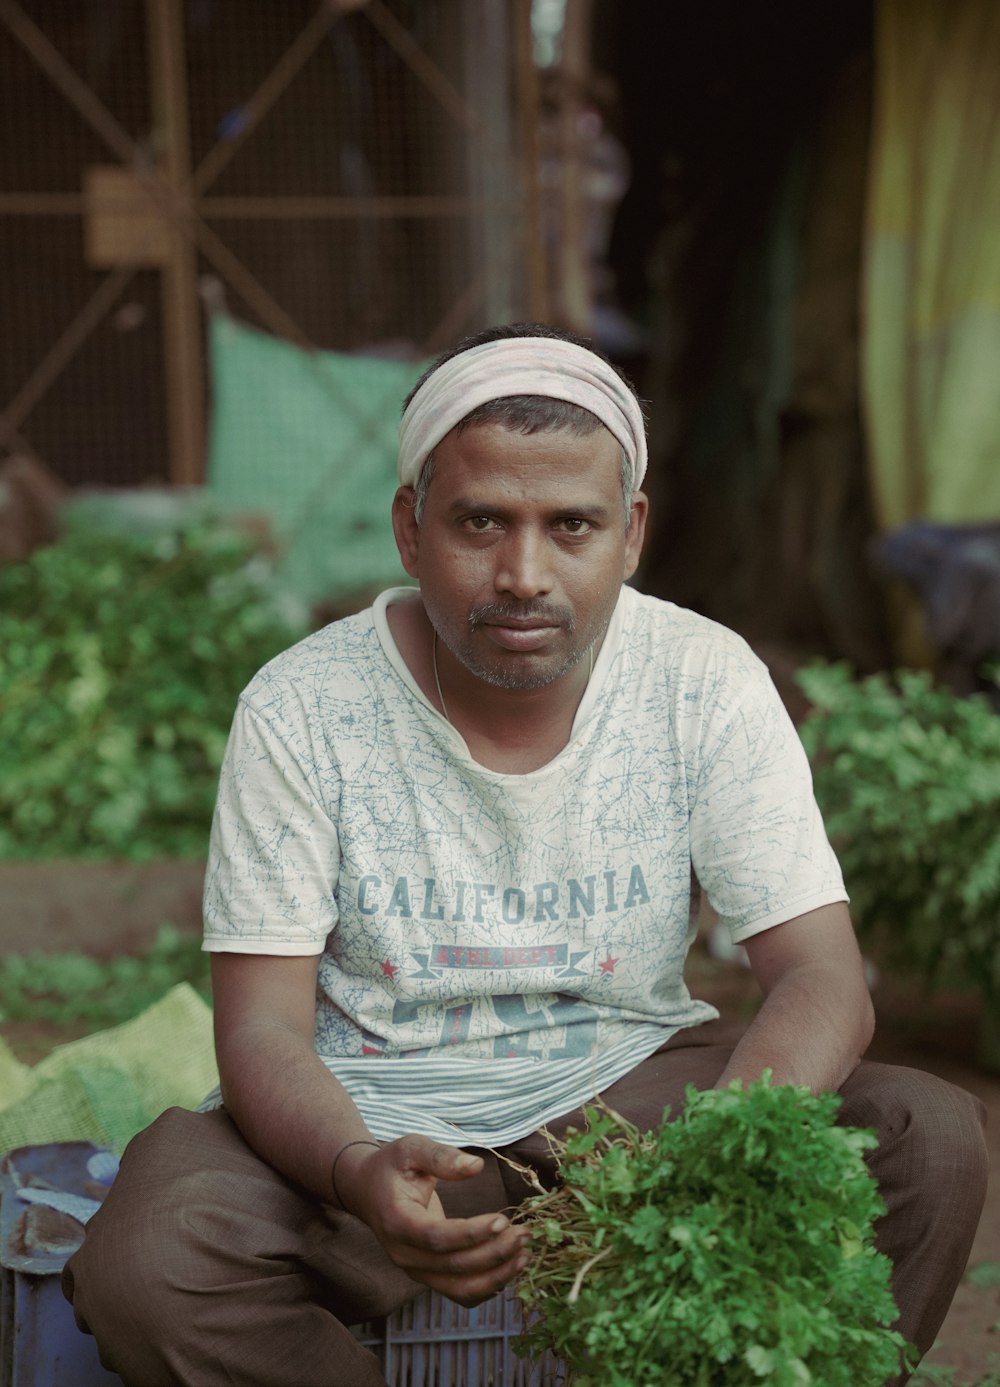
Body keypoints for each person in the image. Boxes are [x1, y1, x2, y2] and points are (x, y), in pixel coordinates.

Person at [65, 323, 988, 1387]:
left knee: (929, 1136)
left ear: (630, 531)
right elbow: (262, 1024)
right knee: (150, 1259)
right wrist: (360, 1170)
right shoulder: (303, 705)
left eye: (571, 525)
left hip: (631, 1113)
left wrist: (717, 1154)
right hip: (374, 1126)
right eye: (480, 521)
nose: (522, 573)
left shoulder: (701, 679)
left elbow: (822, 973)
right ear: (410, 528)